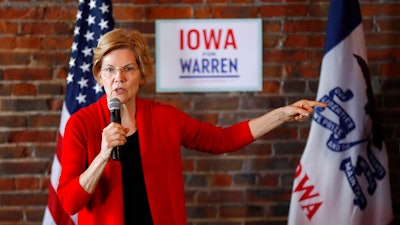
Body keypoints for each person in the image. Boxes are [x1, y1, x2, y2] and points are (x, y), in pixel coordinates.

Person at [57, 28, 326, 225]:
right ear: (98, 75)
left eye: (128, 69)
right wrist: (103, 156)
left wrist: (281, 114)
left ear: (142, 75)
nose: (119, 78)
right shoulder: (81, 124)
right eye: (110, 70)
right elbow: (69, 202)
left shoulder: (164, 118)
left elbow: (223, 139)